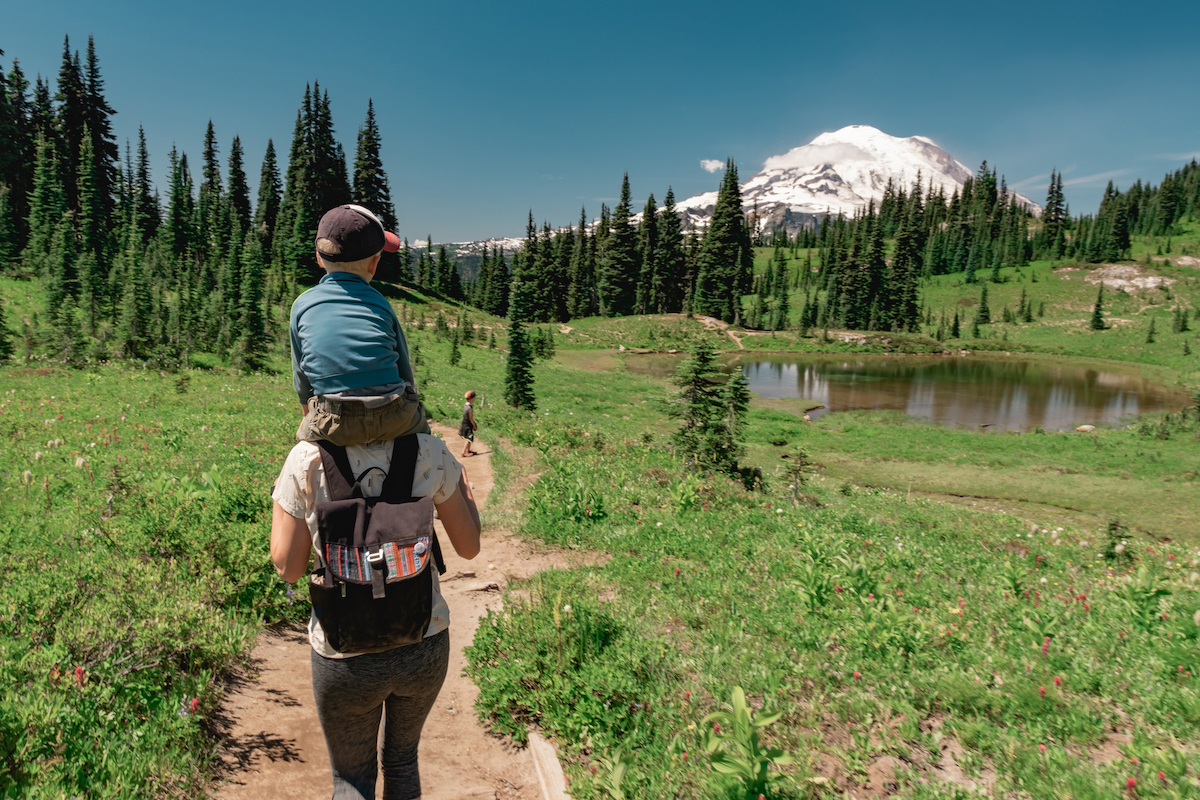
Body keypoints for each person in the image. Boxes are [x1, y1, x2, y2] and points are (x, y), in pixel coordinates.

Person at [270, 432, 481, 800]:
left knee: (351, 779)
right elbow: (469, 547)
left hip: (344, 654)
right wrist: (464, 489)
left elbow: (288, 567)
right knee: (401, 761)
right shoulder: (427, 449)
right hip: (423, 641)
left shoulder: (306, 458)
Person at [290, 204, 430, 446]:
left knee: (296, 461)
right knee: (428, 445)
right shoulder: (381, 303)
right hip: (393, 414)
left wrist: (307, 418)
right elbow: (404, 372)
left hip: (332, 419)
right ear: (374, 265)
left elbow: (302, 377)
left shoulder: (302, 305)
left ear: (319, 259)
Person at [458, 391, 478, 457]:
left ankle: (468, 450)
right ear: (472, 398)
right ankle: (463, 452)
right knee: (469, 438)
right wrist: (474, 425)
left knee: (469, 436)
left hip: (464, 422)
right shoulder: (469, 408)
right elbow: (471, 418)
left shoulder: (465, 405)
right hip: (468, 423)